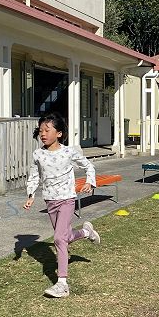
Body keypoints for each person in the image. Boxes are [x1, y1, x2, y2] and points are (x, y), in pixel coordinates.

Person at [23, 113, 100, 298]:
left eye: (47, 130)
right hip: (50, 200)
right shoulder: (38, 154)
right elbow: (34, 176)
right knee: (65, 237)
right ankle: (87, 232)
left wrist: (89, 181)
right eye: (41, 130)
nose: (43, 134)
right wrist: (31, 194)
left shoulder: (68, 152)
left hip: (67, 199)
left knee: (58, 238)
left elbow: (88, 166)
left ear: (58, 133)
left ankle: (62, 284)